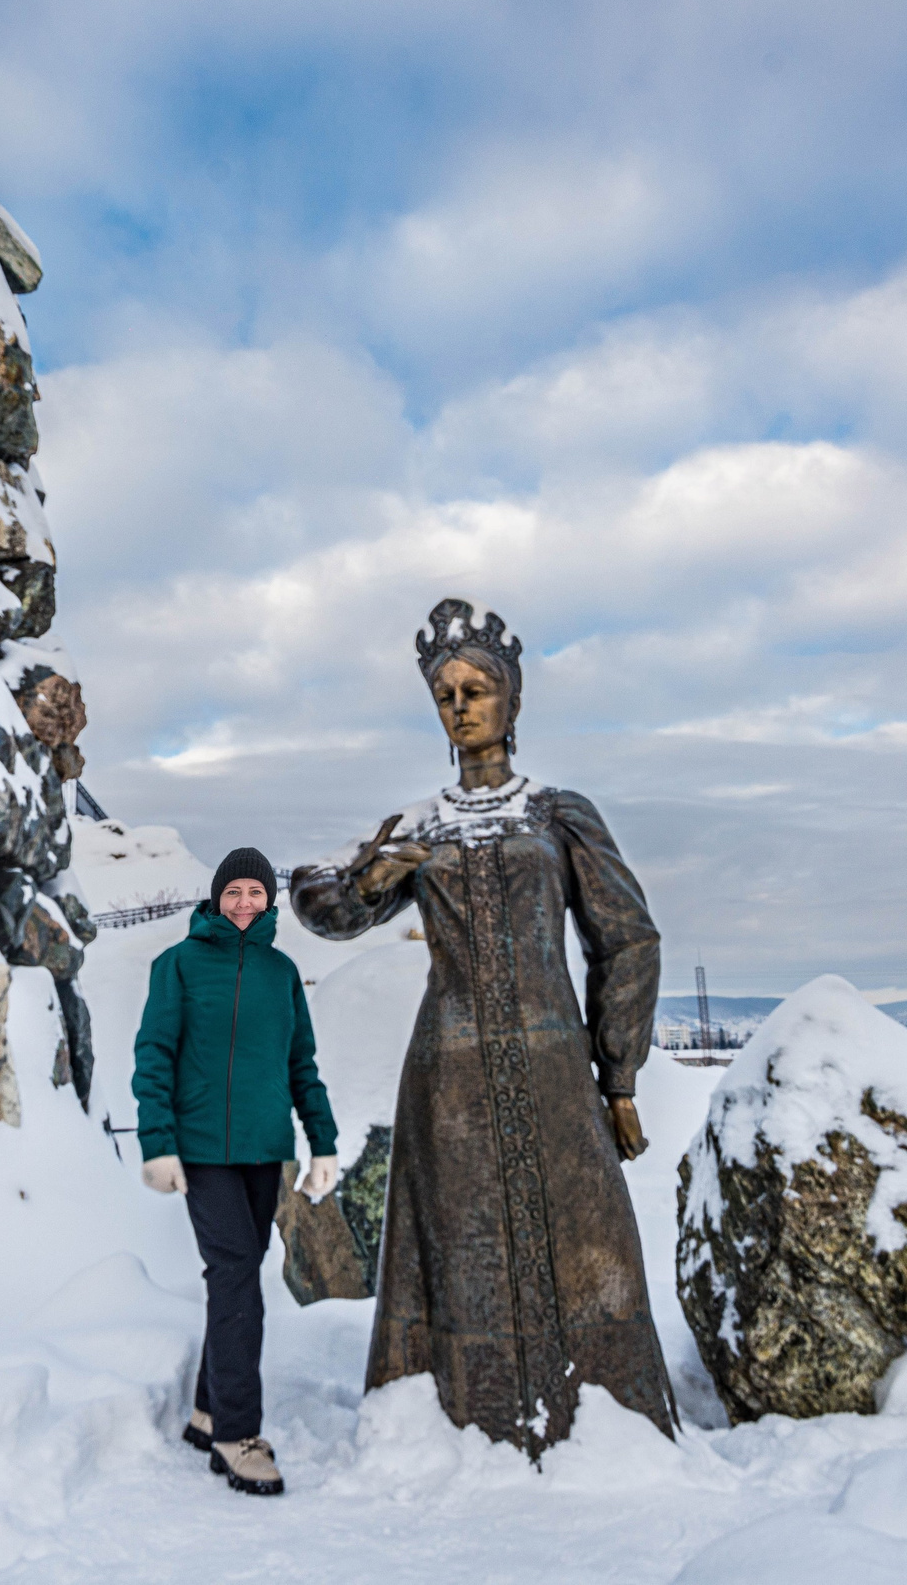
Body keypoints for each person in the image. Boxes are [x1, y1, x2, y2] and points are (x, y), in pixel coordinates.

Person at [289, 599, 676, 1456]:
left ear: (513, 699)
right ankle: (465, 1419)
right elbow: (323, 908)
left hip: (554, 1067)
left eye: (477, 689)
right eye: (445, 694)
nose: (461, 706)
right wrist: (368, 875)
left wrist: (619, 1077)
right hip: (450, 1076)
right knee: (461, 1247)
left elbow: (627, 937)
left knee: (587, 1236)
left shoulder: (557, 814)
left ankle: (603, 1421)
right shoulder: (419, 826)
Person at [133, 848, 339, 1496]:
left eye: (255, 891)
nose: (244, 902)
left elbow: (301, 1064)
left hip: (264, 1150)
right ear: (216, 898)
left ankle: (206, 1411)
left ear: (269, 901)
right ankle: (236, 1435)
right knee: (236, 1279)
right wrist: (157, 1143)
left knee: (236, 1280)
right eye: (233, 891)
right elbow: (154, 1054)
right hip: (200, 1151)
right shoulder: (179, 965)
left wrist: (323, 1144)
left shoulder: (282, 973)